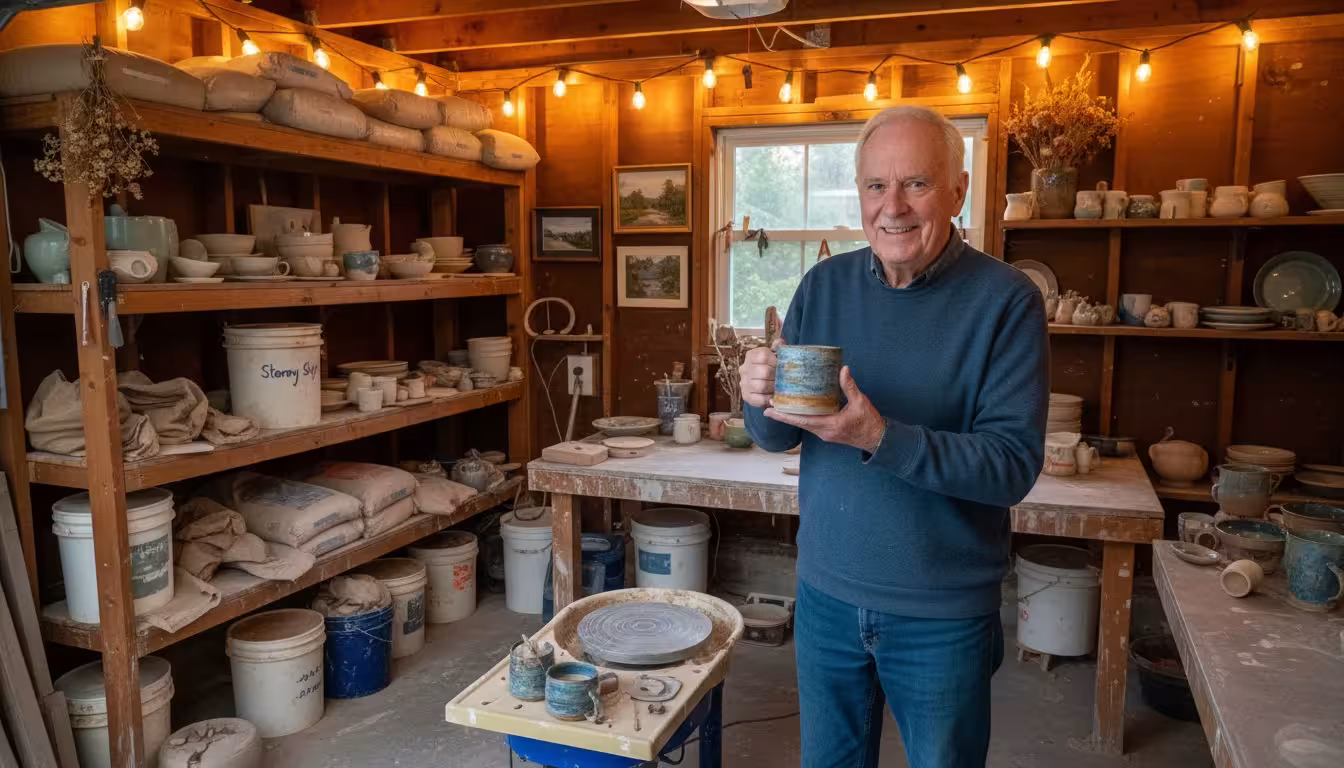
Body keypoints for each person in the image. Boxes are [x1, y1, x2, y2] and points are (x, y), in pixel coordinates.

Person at [739, 105, 1049, 768]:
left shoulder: (1006, 300)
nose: (894, 207)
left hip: (940, 613)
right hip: (826, 594)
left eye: (917, 183)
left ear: (959, 191)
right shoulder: (823, 284)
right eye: (876, 186)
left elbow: (1012, 466)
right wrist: (755, 395)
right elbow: (775, 435)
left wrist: (880, 436)